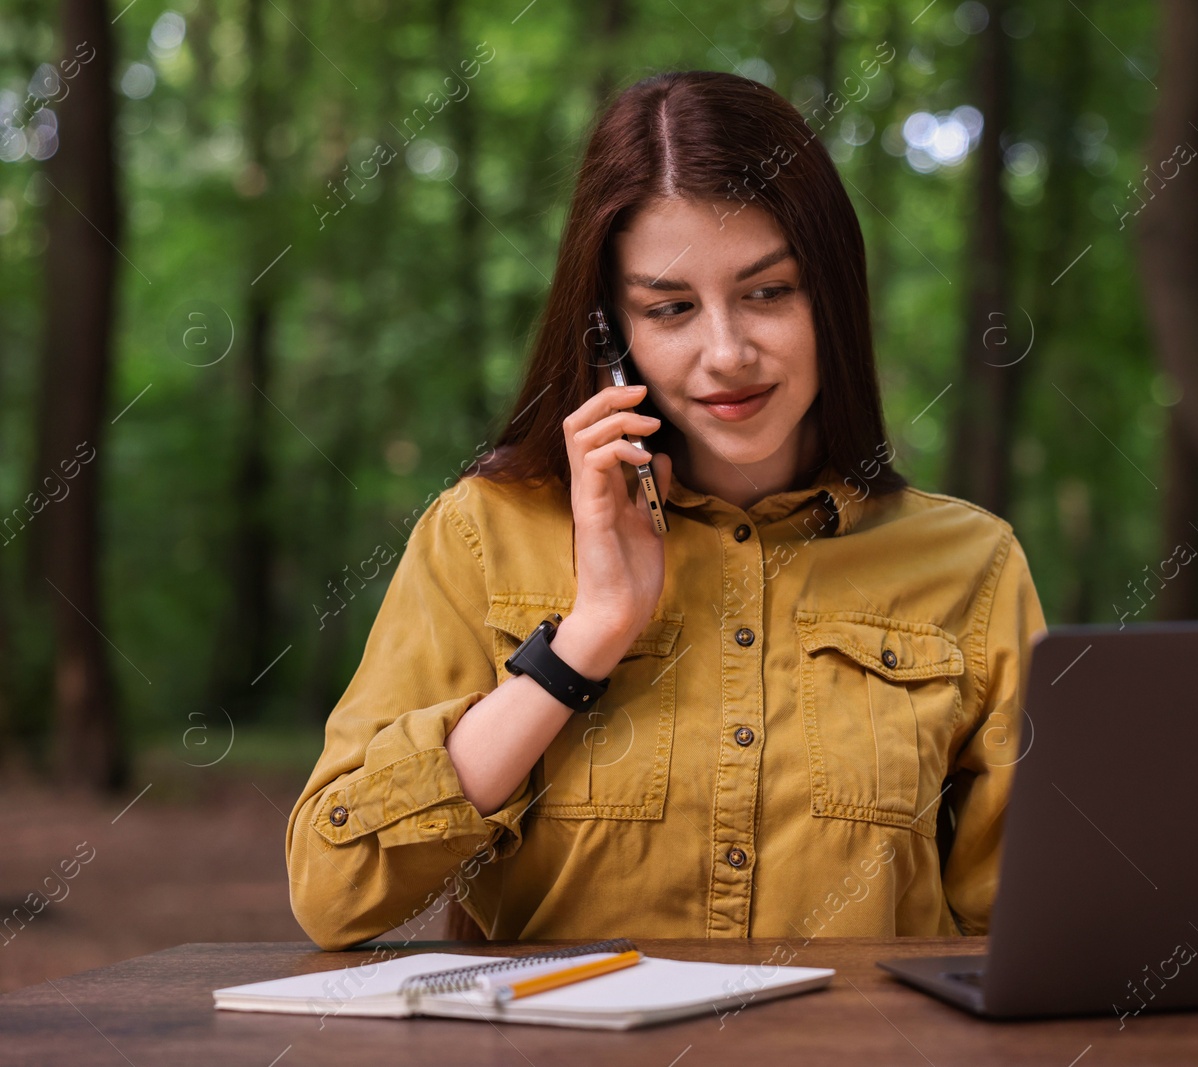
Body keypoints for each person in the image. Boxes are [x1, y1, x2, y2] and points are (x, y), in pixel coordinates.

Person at [286, 70, 1047, 951]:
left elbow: (1018, 935)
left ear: (831, 298)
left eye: (769, 292)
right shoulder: (480, 534)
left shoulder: (972, 564)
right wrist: (587, 639)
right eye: (671, 307)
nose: (727, 353)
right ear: (612, 333)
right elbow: (333, 892)